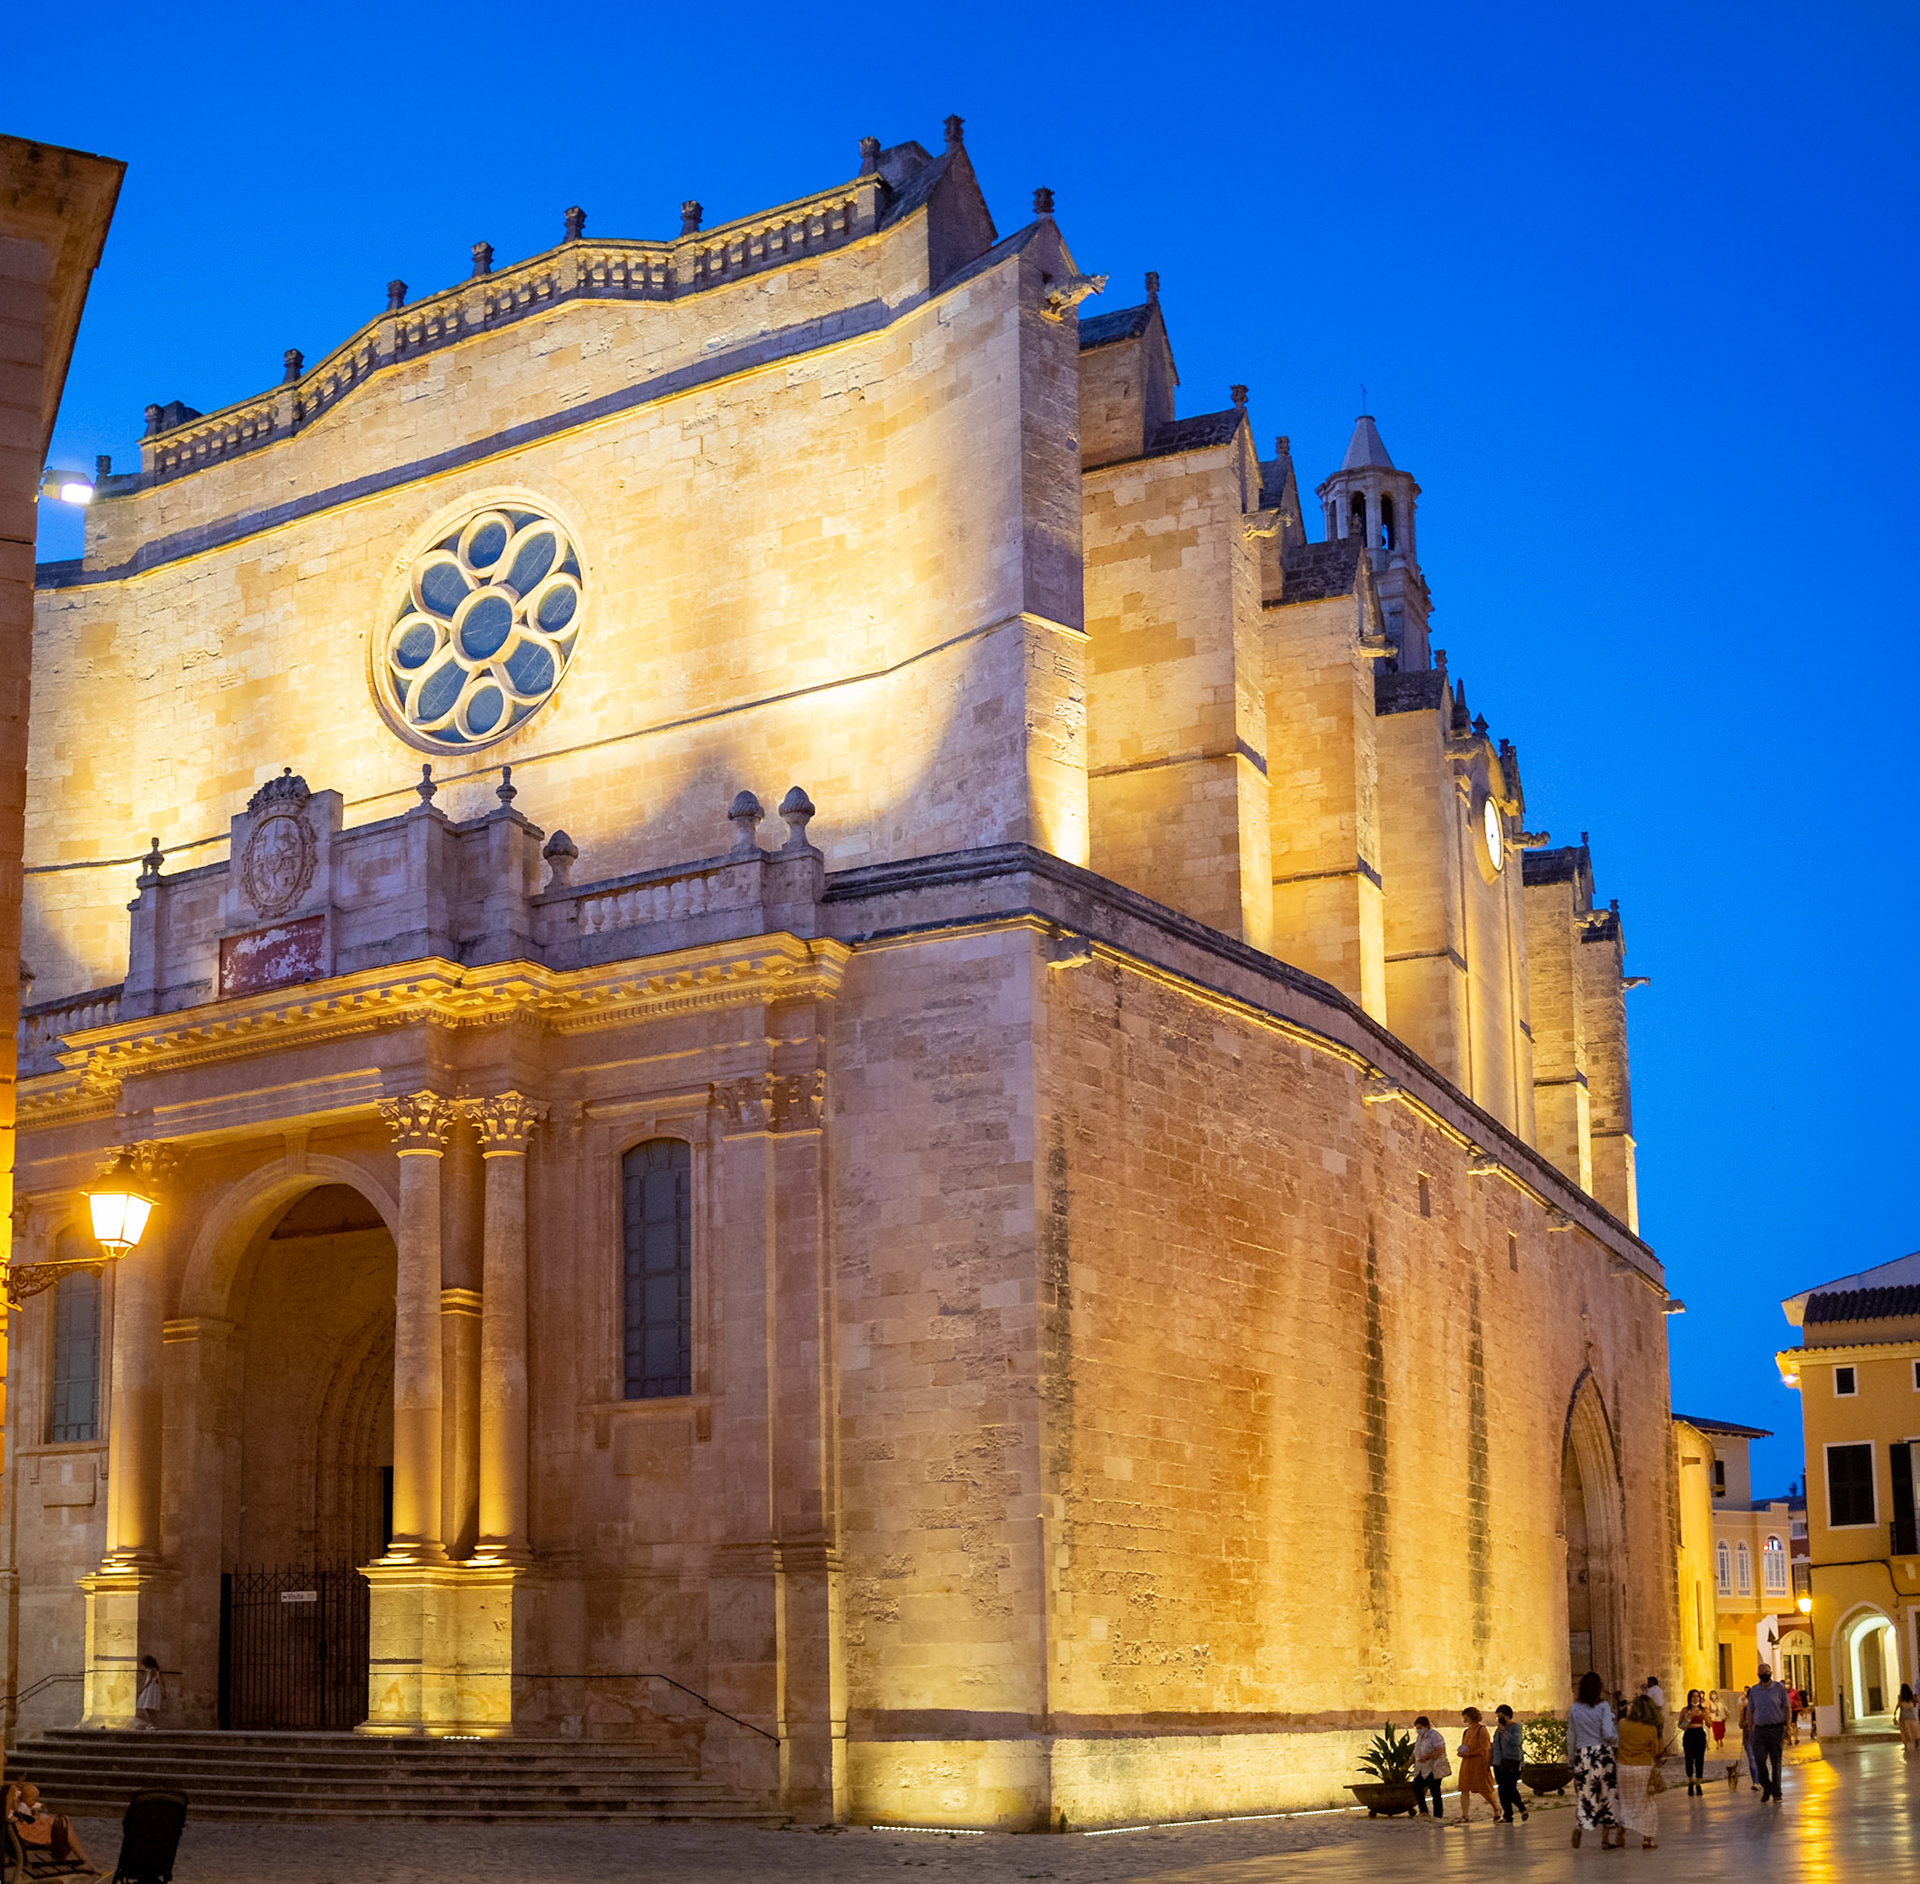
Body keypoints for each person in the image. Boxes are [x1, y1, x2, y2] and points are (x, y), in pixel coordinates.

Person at [1569, 1670, 1622, 1849]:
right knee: (1607, 1794)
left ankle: (1579, 1826)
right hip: (1602, 1754)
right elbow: (1608, 1733)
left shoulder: (1574, 1708)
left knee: (1586, 1793)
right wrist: (1615, 1737)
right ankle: (1605, 1839)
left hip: (1583, 1754)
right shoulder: (1603, 1707)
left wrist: (1571, 1759)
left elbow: (1571, 1736)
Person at [5, 1781, 97, 1872]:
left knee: (62, 1821)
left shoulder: (15, 1801)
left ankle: (83, 1859)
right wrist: (11, 1796)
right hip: (21, 1829)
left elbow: (18, 1814)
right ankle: (84, 1860)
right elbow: (9, 1817)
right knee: (62, 1822)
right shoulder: (11, 1797)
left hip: (22, 1825)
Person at [1614, 1694, 1664, 1850]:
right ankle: (1647, 1839)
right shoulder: (1650, 1729)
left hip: (1623, 1767)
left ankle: (1621, 1825)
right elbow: (1656, 1751)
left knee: (1625, 1801)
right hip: (1642, 1768)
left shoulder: (1622, 1724)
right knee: (1646, 1804)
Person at [1748, 1662, 1790, 1802]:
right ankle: (1767, 1786)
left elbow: (1786, 1707)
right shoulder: (1754, 1690)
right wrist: (1750, 1729)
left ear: (1771, 1673)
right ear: (1758, 1674)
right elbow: (1750, 1710)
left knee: (1776, 1762)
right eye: (1762, 1672)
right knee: (1759, 1760)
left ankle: (1777, 1793)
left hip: (1776, 1729)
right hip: (1760, 1730)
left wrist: (1787, 1727)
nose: (1764, 1674)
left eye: (1767, 1672)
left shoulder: (1779, 1688)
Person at [1456, 1707, 1498, 1824]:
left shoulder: (1482, 1730)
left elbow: (1484, 1749)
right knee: (1464, 1789)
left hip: (1479, 1763)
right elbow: (1464, 1745)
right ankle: (1465, 1815)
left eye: (1466, 1717)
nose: (1464, 1720)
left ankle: (1496, 1808)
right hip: (1467, 1763)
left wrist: (1469, 1754)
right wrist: (1462, 1752)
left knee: (1483, 1789)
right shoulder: (1466, 1731)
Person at [1491, 1703, 1529, 1823]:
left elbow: (1515, 1741)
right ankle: (1508, 1814)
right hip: (1498, 1762)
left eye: (1501, 1717)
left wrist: (1504, 1731)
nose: (1499, 1719)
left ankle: (1521, 1807)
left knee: (1510, 1787)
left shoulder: (1515, 1727)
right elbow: (1495, 1745)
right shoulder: (1498, 1731)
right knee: (1502, 1789)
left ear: (1508, 1716)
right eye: (1497, 1717)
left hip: (1511, 1761)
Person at [1412, 1715, 1450, 1818]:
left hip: (1434, 1767)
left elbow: (1440, 1750)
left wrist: (1428, 1757)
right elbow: (1416, 1751)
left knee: (1435, 1790)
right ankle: (1423, 1811)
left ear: (1426, 1726)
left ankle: (1438, 1814)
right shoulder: (1420, 1737)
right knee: (1417, 1786)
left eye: (1420, 1728)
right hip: (1422, 1768)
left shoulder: (1434, 1735)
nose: (1418, 1730)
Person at [1679, 1689, 1710, 1795]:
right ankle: (1690, 1781)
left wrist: (1705, 1716)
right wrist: (1688, 1717)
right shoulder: (1685, 1710)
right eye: (1693, 1696)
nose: (1696, 1698)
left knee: (1700, 1759)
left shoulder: (1703, 1710)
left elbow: (1710, 1724)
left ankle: (1699, 1783)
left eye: (1697, 1696)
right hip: (1689, 1734)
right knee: (1689, 1758)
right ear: (1690, 1698)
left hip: (1699, 1733)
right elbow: (1681, 1726)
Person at [134, 1654, 164, 1731]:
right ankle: (152, 1723)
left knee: (148, 1707)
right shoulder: (156, 1671)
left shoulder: (151, 1671)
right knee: (149, 1707)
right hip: (153, 1689)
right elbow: (161, 1681)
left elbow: (149, 1681)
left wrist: (141, 1689)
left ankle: (152, 1723)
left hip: (150, 1690)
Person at [1895, 1683, 1918, 1756]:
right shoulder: (1911, 1697)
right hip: (1911, 1716)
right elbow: (1915, 1703)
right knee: (1913, 1730)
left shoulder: (1900, 1697)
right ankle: (1915, 1744)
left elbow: (1898, 1705)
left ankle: (1906, 1746)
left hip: (1903, 1717)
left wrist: (1894, 1713)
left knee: (1904, 1732)